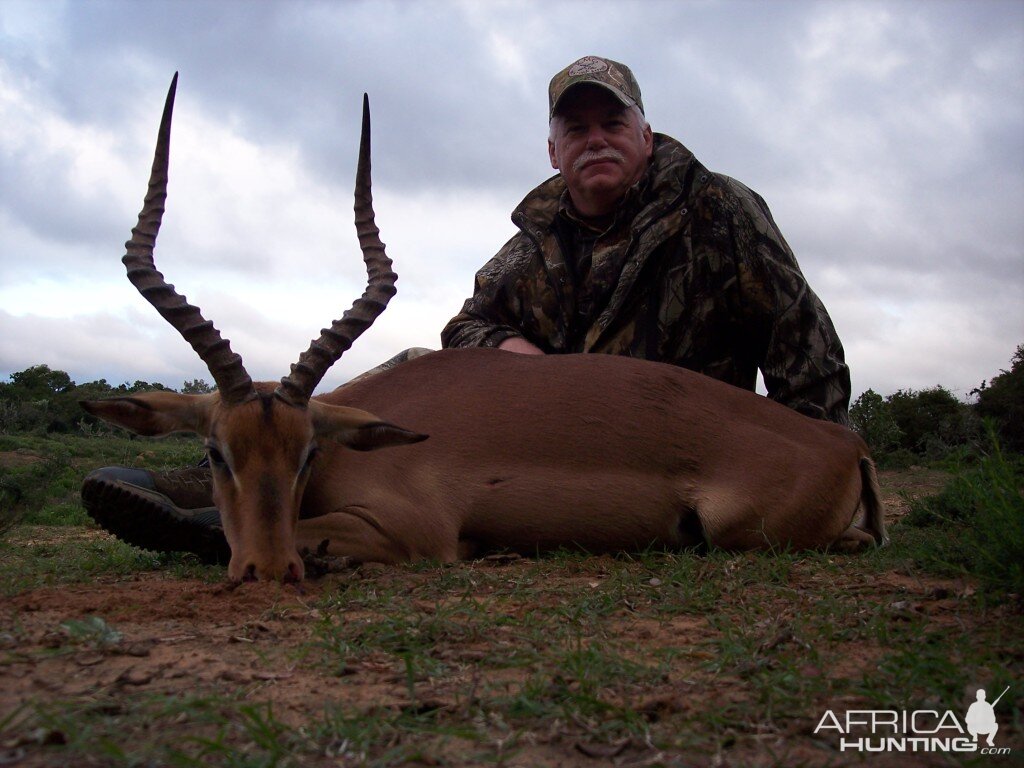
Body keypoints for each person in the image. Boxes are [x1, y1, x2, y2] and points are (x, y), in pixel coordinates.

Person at [81, 56, 851, 563]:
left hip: (674, 421)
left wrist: (816, 442)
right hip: (559, 407)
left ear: (645, 134)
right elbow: (469, 328)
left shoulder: (719, 208)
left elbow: (798, 331)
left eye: (612, 124)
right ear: (553, 150)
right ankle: (236, 474)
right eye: (576, 129)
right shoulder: (531, 246)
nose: (596, 140)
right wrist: (520, 364)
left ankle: (232, 519)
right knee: (419, 367)